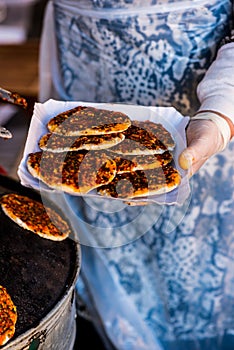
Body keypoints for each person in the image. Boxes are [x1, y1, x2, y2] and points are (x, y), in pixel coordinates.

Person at [38, 1, 234, 349]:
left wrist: (220, 114)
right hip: (81, 73)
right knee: (109, 274)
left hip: (202, 106)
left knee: (196, 281)